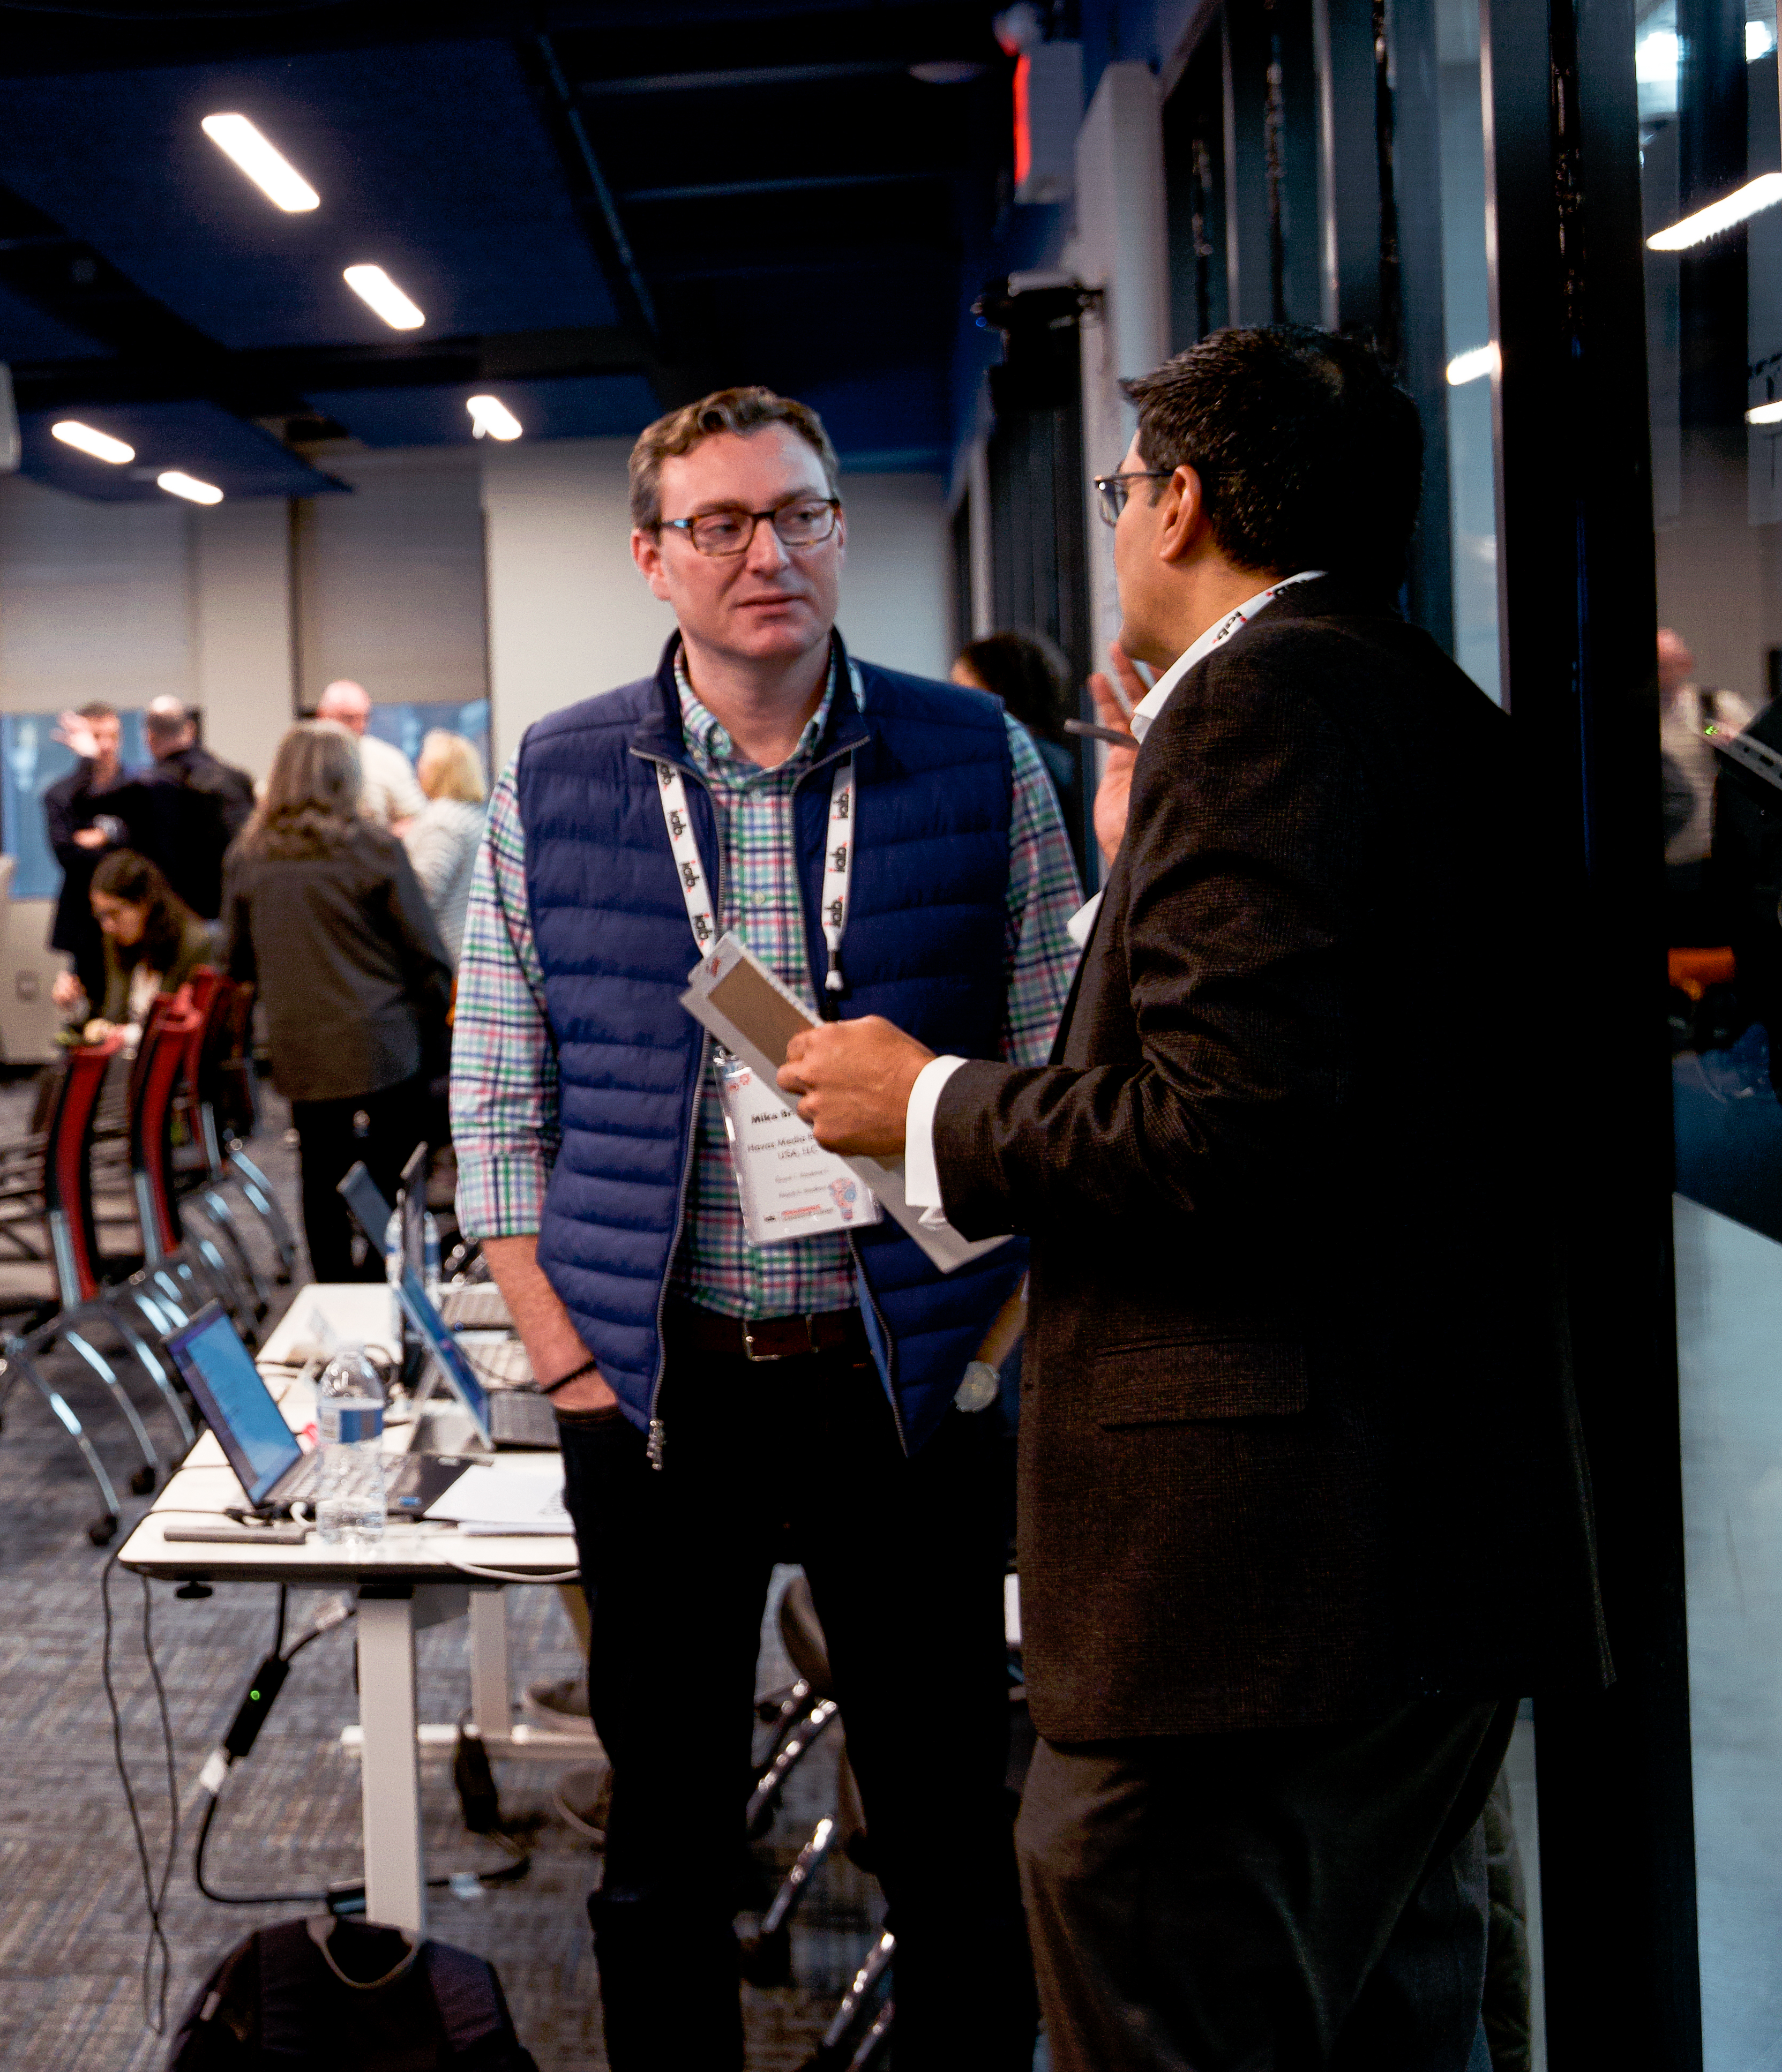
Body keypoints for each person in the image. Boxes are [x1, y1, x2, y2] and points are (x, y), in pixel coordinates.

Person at [778, 327, 1601, 2072]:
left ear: (1180, 502)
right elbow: (1320, 1086)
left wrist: (916, 1102)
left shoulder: (1261, 706)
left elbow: (1224, 1132)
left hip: (1245, 1590)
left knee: (1158, 1989)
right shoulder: (1412, 701)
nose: (1113, 524)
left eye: (1117, 489)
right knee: (1388, 2022)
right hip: (1404, 1551)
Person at [452, 383, 1079, 2072]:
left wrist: (999, 1339)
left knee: (949, 1831)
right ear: (651, 558)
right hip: (660, 1387)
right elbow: (499, 1086)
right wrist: (559, 1343)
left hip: (909, 1377)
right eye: (719, 524)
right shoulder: (560, 773)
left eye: (796, 513)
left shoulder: (975, 756)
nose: (765, 553)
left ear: (837, 533)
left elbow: (1059, 1066)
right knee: (658, 1849)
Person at [222, 723, 452, 1281]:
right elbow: (424, 951)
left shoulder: (248, 856)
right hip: (386, 1039)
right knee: (395, 1166)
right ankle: (385, 1278)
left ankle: (331, 1288)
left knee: (319, 1170)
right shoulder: (373, 846)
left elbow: (237, 964)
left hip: (303, 1045)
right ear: (346, 776)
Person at [59, 849, 214, 1050]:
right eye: (101, 916)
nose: (107, 926)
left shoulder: (194, 944)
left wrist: (122, 1034)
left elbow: (182, 1030)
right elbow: (112, 1017)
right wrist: (75, 1004)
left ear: (144, 903)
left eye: (114, 913)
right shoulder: (116, 940)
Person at [1661, 626, 1755, 945]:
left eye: (1668, 663)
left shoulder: (1710, 707)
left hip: (1708, 856)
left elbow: (1754, 758)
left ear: (1686, 663)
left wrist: (1719, 735)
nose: (1661, 673)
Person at [124, 695, 254, 922]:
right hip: (240, 909)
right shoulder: (238, 779)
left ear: (149, 737)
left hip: (182, 918)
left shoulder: (149, 788)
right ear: (191, 729)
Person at [41, 701, 130, 1007]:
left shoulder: (137, 790)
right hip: (84, 919)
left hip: (135, 917)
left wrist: (106, 836)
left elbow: (140, 857)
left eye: (112, 737)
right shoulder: (60, 795)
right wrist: (117, 841)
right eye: (95, 738)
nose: (105, 746)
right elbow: (68, 856)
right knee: (92, 1012)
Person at [402, 727, 488, 965]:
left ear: (437, 771)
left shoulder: (443, 822)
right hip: (470, 950)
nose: (417, 768)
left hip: (445, 957)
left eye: (422, 761)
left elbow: (423, 893)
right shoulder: (473, 817)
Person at [314, 679, 424, 834]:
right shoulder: (304, 762)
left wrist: (378, 846)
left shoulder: (389, 760)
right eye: (348, 719)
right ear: (322, 716)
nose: (360, 727)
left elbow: (415, 819)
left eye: (365, 718)